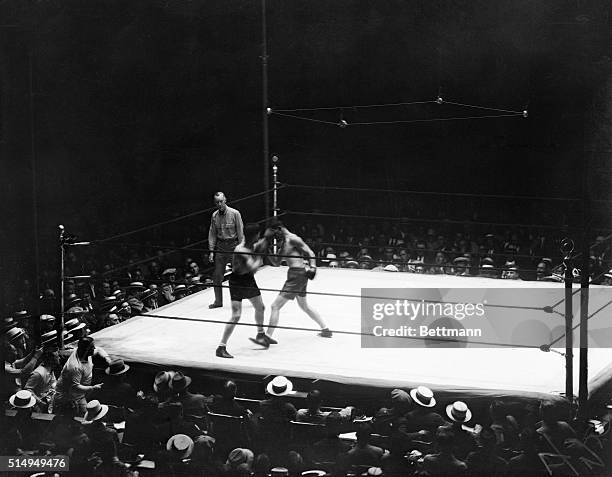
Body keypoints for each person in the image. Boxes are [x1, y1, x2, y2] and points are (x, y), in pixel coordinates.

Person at [265, 219, 332, 342]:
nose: (275, 236)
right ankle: (326, 329)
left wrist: (313, 267)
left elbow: (310, 252)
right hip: (295, 274)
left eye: (275, 233)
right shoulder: (284, 243)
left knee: (275, 306)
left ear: (279, 229)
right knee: (304, 306)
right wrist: (267, 251)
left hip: (297, 275)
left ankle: (267, 337)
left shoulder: (293, 239)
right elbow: (276, 263)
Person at [216, 224, 274, 358]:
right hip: (237, 282)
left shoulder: (251, 245)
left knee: (260, 307)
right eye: (258, 234)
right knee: (236, 315)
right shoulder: (240, 250)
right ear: (254, 235)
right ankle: (221, 347)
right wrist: (260, 255)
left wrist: (267, 236)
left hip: (248, 279)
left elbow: (260, 243)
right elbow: (253, 267)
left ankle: (260, 334)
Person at [208, 191, 245, 309]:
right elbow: (212, 234)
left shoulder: (235, 213)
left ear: (225, 200)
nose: (219, 204)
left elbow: (240, 232)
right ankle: (218, 301)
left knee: (238, 275)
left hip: (233, 246)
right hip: (221, 247)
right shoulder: (214, 216)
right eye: (216, 202)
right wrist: (211, 251)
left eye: (221, 201)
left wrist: (242, 249)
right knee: (217, 276)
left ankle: (239, 300)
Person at [54, 337, 103, 416]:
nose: (94, 348)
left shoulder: (85, 354)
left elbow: (99, 350)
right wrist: (93, 388)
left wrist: (108, 360)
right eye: (92, 347)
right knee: (83, 416)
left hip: (79, 394)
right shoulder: (75, 367)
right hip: (69, 398)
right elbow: (75, 387)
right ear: (85, 349)